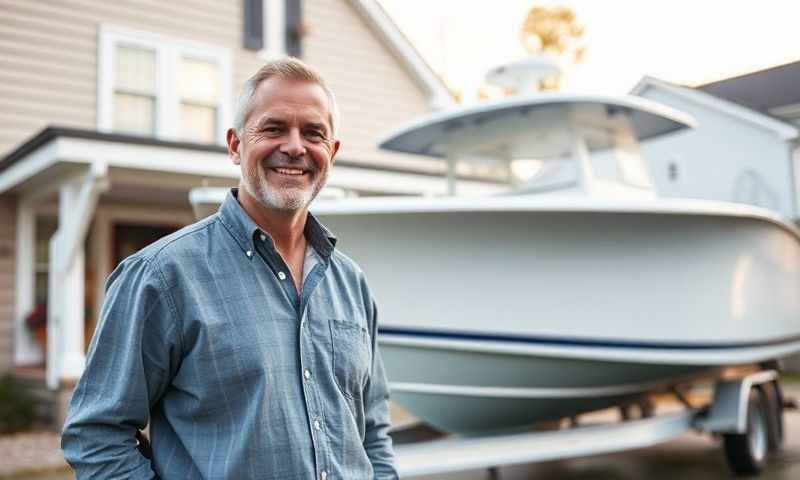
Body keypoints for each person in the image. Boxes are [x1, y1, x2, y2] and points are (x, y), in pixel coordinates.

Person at [62, 57, 398, 479]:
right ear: (236, 144)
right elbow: (96, 436)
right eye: (274, 128)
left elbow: (371, 431)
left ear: (331, 152)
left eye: (313, 132)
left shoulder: (351, 283)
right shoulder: (161, 276)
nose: (295, 146)